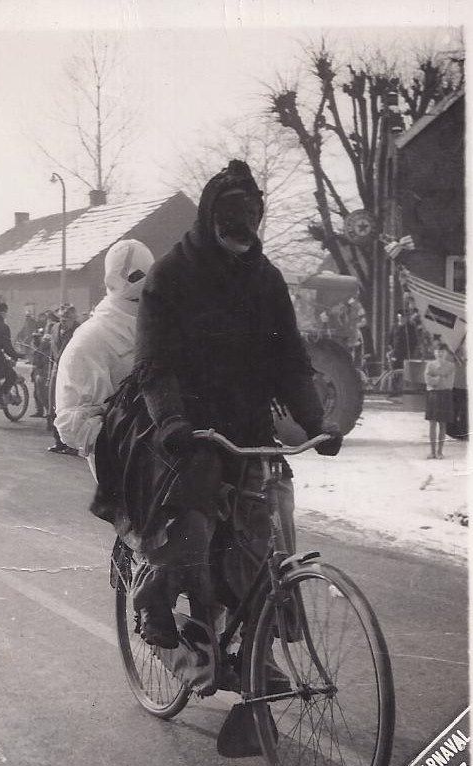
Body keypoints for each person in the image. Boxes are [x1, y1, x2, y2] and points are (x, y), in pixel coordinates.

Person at [92, 160, 342, 653]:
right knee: (193, 516)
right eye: (230, 228)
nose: (240, 239)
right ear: (210, 221)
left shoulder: (266, 280)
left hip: (246, 424)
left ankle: (255, 653)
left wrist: (316, 420)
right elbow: (155, 364)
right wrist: (171, 420)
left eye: (249, 227)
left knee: (265, 528)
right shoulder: (171, 275)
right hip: (180, 424)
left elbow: (290, 360)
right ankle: (155, 594)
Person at [55, 239, 155, 478]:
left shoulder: (160, 323)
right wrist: (128, 436)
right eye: (136, 277)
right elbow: (71, 422)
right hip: (126, 465)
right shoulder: (91, 339)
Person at [47, 304, 80, 454]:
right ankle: (58, 441)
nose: (64, 322)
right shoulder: (54, 328)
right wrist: (50, 375)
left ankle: (72, 445)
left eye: (68, 319)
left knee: (70, 407)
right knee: (54, 406)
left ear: (74, 319)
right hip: (56, 371)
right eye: (62, 318)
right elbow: (51, 353)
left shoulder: (80, 330)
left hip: (73, 373)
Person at [424, 342, 455, 459]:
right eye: (438, 351)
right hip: (433, 395)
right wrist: (440, 378)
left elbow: (449, 383)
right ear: (434, 353)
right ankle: (432, 452)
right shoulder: (430, 365)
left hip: (445, 395)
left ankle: (440, 452)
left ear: (446, 353)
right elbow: (427, 380)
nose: (440, 353)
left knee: (443, 424)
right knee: (432, 424)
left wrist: (435, 379)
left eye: (442, 351)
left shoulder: (451, 366)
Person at [388, 309, 418, 395]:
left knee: (405, 373)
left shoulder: (410, 327)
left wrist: (411, 352)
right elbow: (390, 341)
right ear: (398, 317)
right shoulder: (394, 327)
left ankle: (404, 391)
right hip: (396, 353)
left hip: (406, 354)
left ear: (406, 318)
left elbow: (414, 341)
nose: (401, 319)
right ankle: (393, 391)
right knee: (394, 372)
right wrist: (391, 351)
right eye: (400, 317)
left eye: (403, 317)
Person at [29, 328, 49, 418]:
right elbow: (35, 362)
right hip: (38, 371)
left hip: (43, 372)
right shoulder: (36, 347)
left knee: (43, 393)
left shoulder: (44, 347)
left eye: (37, 337)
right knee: (36, 393)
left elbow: (43, 361)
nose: (35, 340)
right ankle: (40, 411)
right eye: (34, 338)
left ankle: (48, 411)